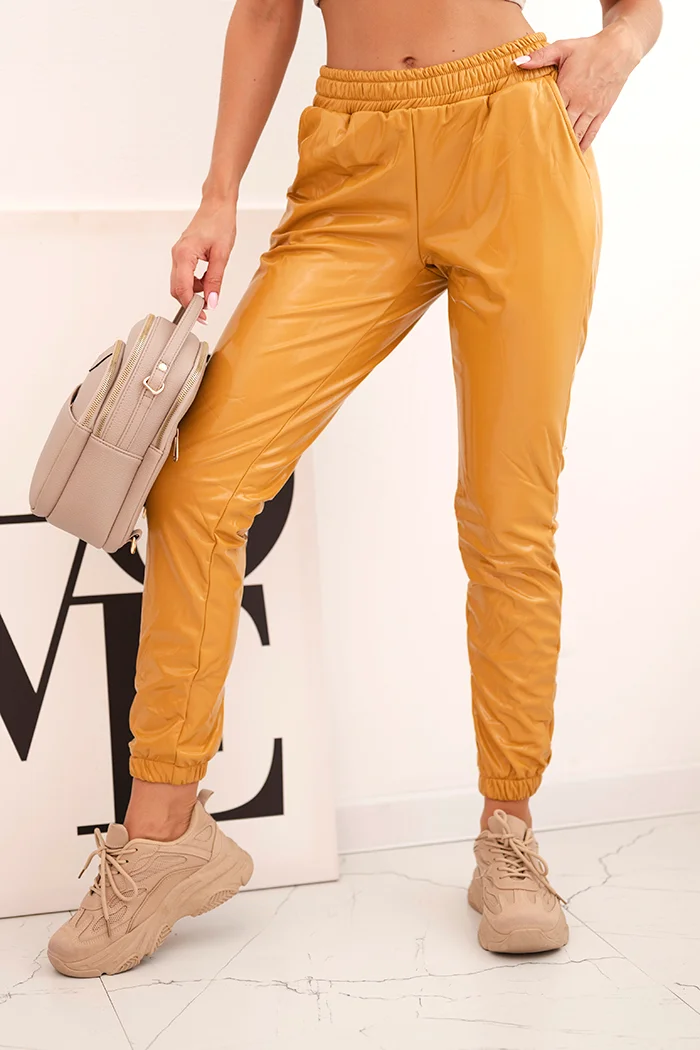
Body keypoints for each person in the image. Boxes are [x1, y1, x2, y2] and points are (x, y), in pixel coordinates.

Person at [47, 0, 662, 977]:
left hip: (513, 137)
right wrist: (218, 193)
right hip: (354, 157)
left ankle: (509, 834)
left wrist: (618, 48)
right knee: (198, 486)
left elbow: (635, 8)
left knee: (507, 517)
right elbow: (265, 11)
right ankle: (163, 838)